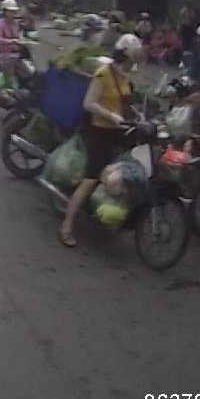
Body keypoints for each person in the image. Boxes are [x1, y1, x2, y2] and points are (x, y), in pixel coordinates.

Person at [59, 34, 144, 248]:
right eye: (131, 59)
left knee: (124, 170)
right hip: (97, 132)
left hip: (117, 132)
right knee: (91, 179)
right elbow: (89, 103)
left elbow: (126, 104)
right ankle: (67, 226)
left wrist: (139, 116)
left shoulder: (125, 76)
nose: (133, 64)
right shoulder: (103, 73)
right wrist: (110, 116)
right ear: (124, 56)